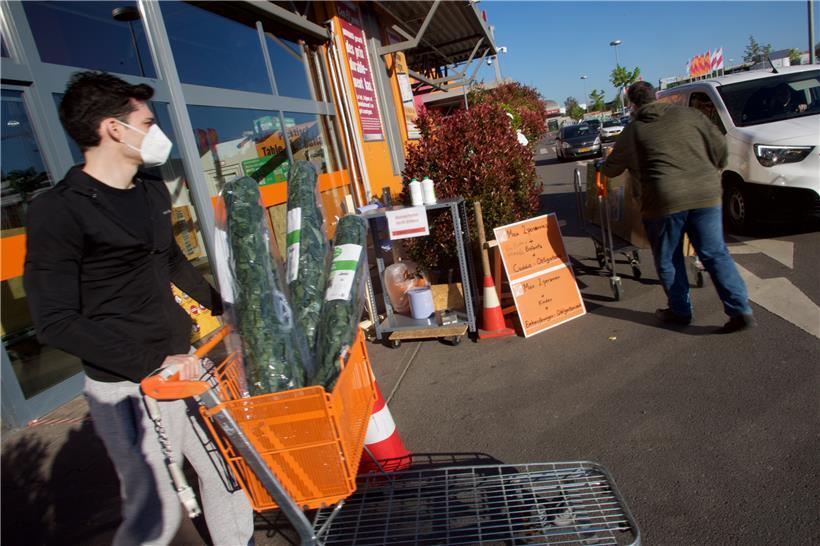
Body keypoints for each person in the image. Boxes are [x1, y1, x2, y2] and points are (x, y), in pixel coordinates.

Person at [24, 71, 254, 545]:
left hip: (184, 365)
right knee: (156, 509)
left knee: (225, 472)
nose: (156, 132)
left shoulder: (151, 191)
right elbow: (55, 321)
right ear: (113, 128)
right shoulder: (59, 211)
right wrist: (152, 363)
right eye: (147, 122)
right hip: (128, 384)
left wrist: (225, 308)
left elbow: (170, 260)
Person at [602, 81, 755, 334]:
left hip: (663, 202)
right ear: (657, 97)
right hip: (706, 194)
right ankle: (739, 309)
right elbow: (719, 147)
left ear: (632, 105)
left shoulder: (635, 130)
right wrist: (712, 167)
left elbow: (612, 168)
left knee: (668, 258)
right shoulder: (690, 115)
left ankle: (681, 311)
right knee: (715, 253)